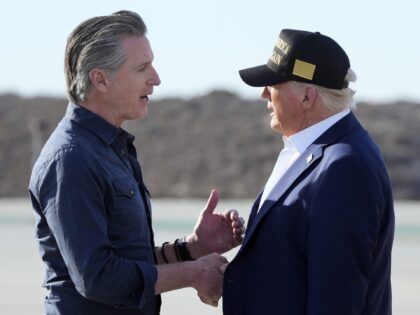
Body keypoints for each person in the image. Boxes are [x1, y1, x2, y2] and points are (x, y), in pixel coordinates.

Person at [28, 10, 245, 315]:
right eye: (142, 68)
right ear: (100, 79)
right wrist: (194, 273)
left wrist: (192, 248)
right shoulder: (71, 159)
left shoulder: (113, 149)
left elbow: (129, 261)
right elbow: (99, 278)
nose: (156, 79)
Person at [222, 29, 395, 314]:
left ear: (306, 97)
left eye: (273, 83)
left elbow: (336, 297)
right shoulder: (312, 150)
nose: (264, 93)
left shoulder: (344, 166)